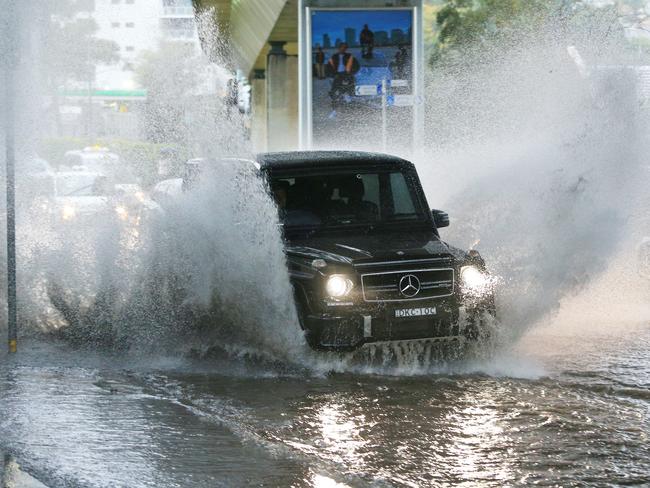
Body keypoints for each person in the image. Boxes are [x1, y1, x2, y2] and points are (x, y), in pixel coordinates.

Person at [328, 43, 358, 109]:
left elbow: (356, 66)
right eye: (342, 47)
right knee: (335, 91)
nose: (343, 49)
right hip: (337, 74)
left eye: (345, 47)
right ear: (339, 48)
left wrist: (352, 73)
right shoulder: (334, 56)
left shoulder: (349, 56)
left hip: (347, 74)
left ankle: (349, 105)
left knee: (349, 90)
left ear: (346, 49)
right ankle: (334, 108)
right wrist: (332, 75)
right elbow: (329, 67)